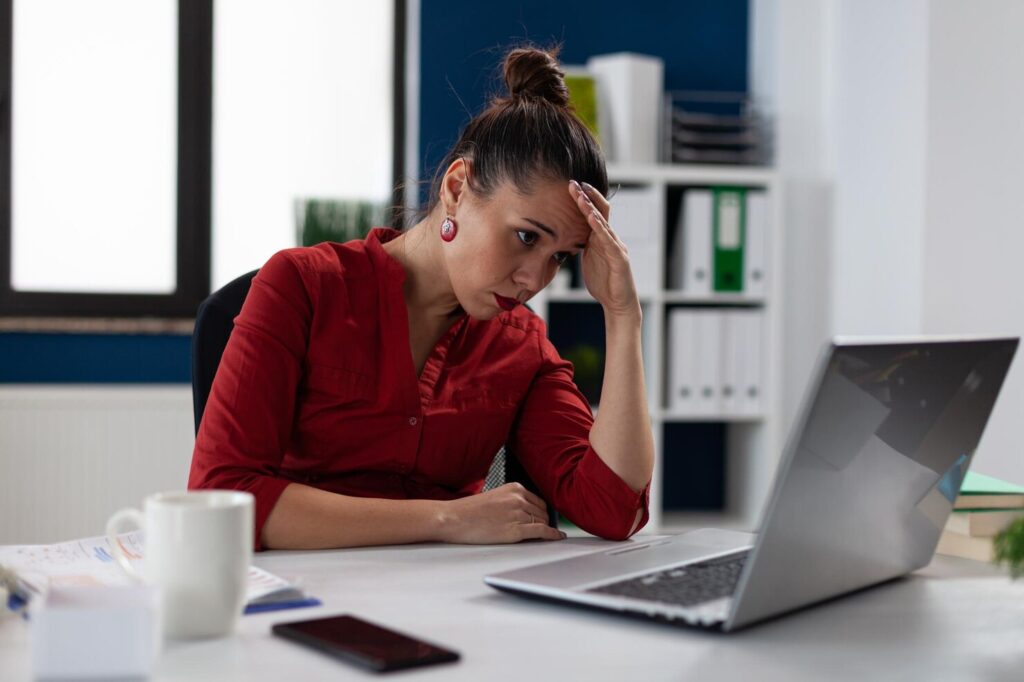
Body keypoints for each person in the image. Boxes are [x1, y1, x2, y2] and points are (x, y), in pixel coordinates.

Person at [188, 45, 655, 550]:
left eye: (561, 256)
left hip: (446, 605)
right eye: (526, 237)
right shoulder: (302, 287)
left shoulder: (522, 346)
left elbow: (616, 511)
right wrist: (446, 519)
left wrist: (622, 314)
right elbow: (222, 497)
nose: (533, 279)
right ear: (457, 188)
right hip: (303, 600)